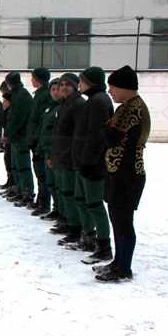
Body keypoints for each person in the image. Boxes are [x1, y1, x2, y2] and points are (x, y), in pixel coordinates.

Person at [94, 66, 150, 283]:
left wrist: (104, 126)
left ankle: (124, 267)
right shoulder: (126, 107)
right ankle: (118, 262)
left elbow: (113, 138)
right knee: (118, 220)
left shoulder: (133, 109)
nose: (110, 91)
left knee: (123, 221)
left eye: (113, 87)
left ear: (126, 87)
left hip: (128, 174)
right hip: (119, 173)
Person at [71, 67, 114, 263]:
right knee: (82, 200)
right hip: (83, 161)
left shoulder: (99, 101)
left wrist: (88, 161)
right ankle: (88, 237)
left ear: (92, 82)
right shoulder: (93, 100)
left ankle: (104, 246)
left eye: (82, 81)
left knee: (95, 204)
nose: (79, 85)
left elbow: (97, 136)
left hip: (93, 164)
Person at [51, 73, 86, 246]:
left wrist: (72, 157)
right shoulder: (64, 104)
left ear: (75, 86)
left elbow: (78, 135)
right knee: (65, 193)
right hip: (62, 157)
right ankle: (70, 224)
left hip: (71, 159)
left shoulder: (78, 104)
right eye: (61, 84)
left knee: (72, 195)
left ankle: (76, 229)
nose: (63, 87)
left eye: (67, 85)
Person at [4, 72, 33, 206]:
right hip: (17, 136)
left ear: (10, 83)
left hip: (21, 136)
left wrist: (8, 134)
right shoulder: (17, 94)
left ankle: (27, 193)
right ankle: (20, 190)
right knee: (16, 166)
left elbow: (17, 119)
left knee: (23, 167)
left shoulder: (21, 95)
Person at [27, 68, 52, 212]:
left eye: (33, 78)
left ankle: (44, 203)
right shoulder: (39, 94)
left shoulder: (45, 95)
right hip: (35, 139)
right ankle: (41, 201)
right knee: (39, 173)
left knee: (42, 175)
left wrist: (35, 138)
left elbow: (41, 120)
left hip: (39, 141)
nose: (31, 80)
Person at [37, 78, 62, 219]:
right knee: (51, 183)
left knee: (58, 185)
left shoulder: (60, 108)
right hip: (47, 151)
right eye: (52, 89)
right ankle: (57, 209)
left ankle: (61, 212)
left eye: (57, 89)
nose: (55, 92)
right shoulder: (50, 107)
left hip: (56, 152)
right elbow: (44, 129)